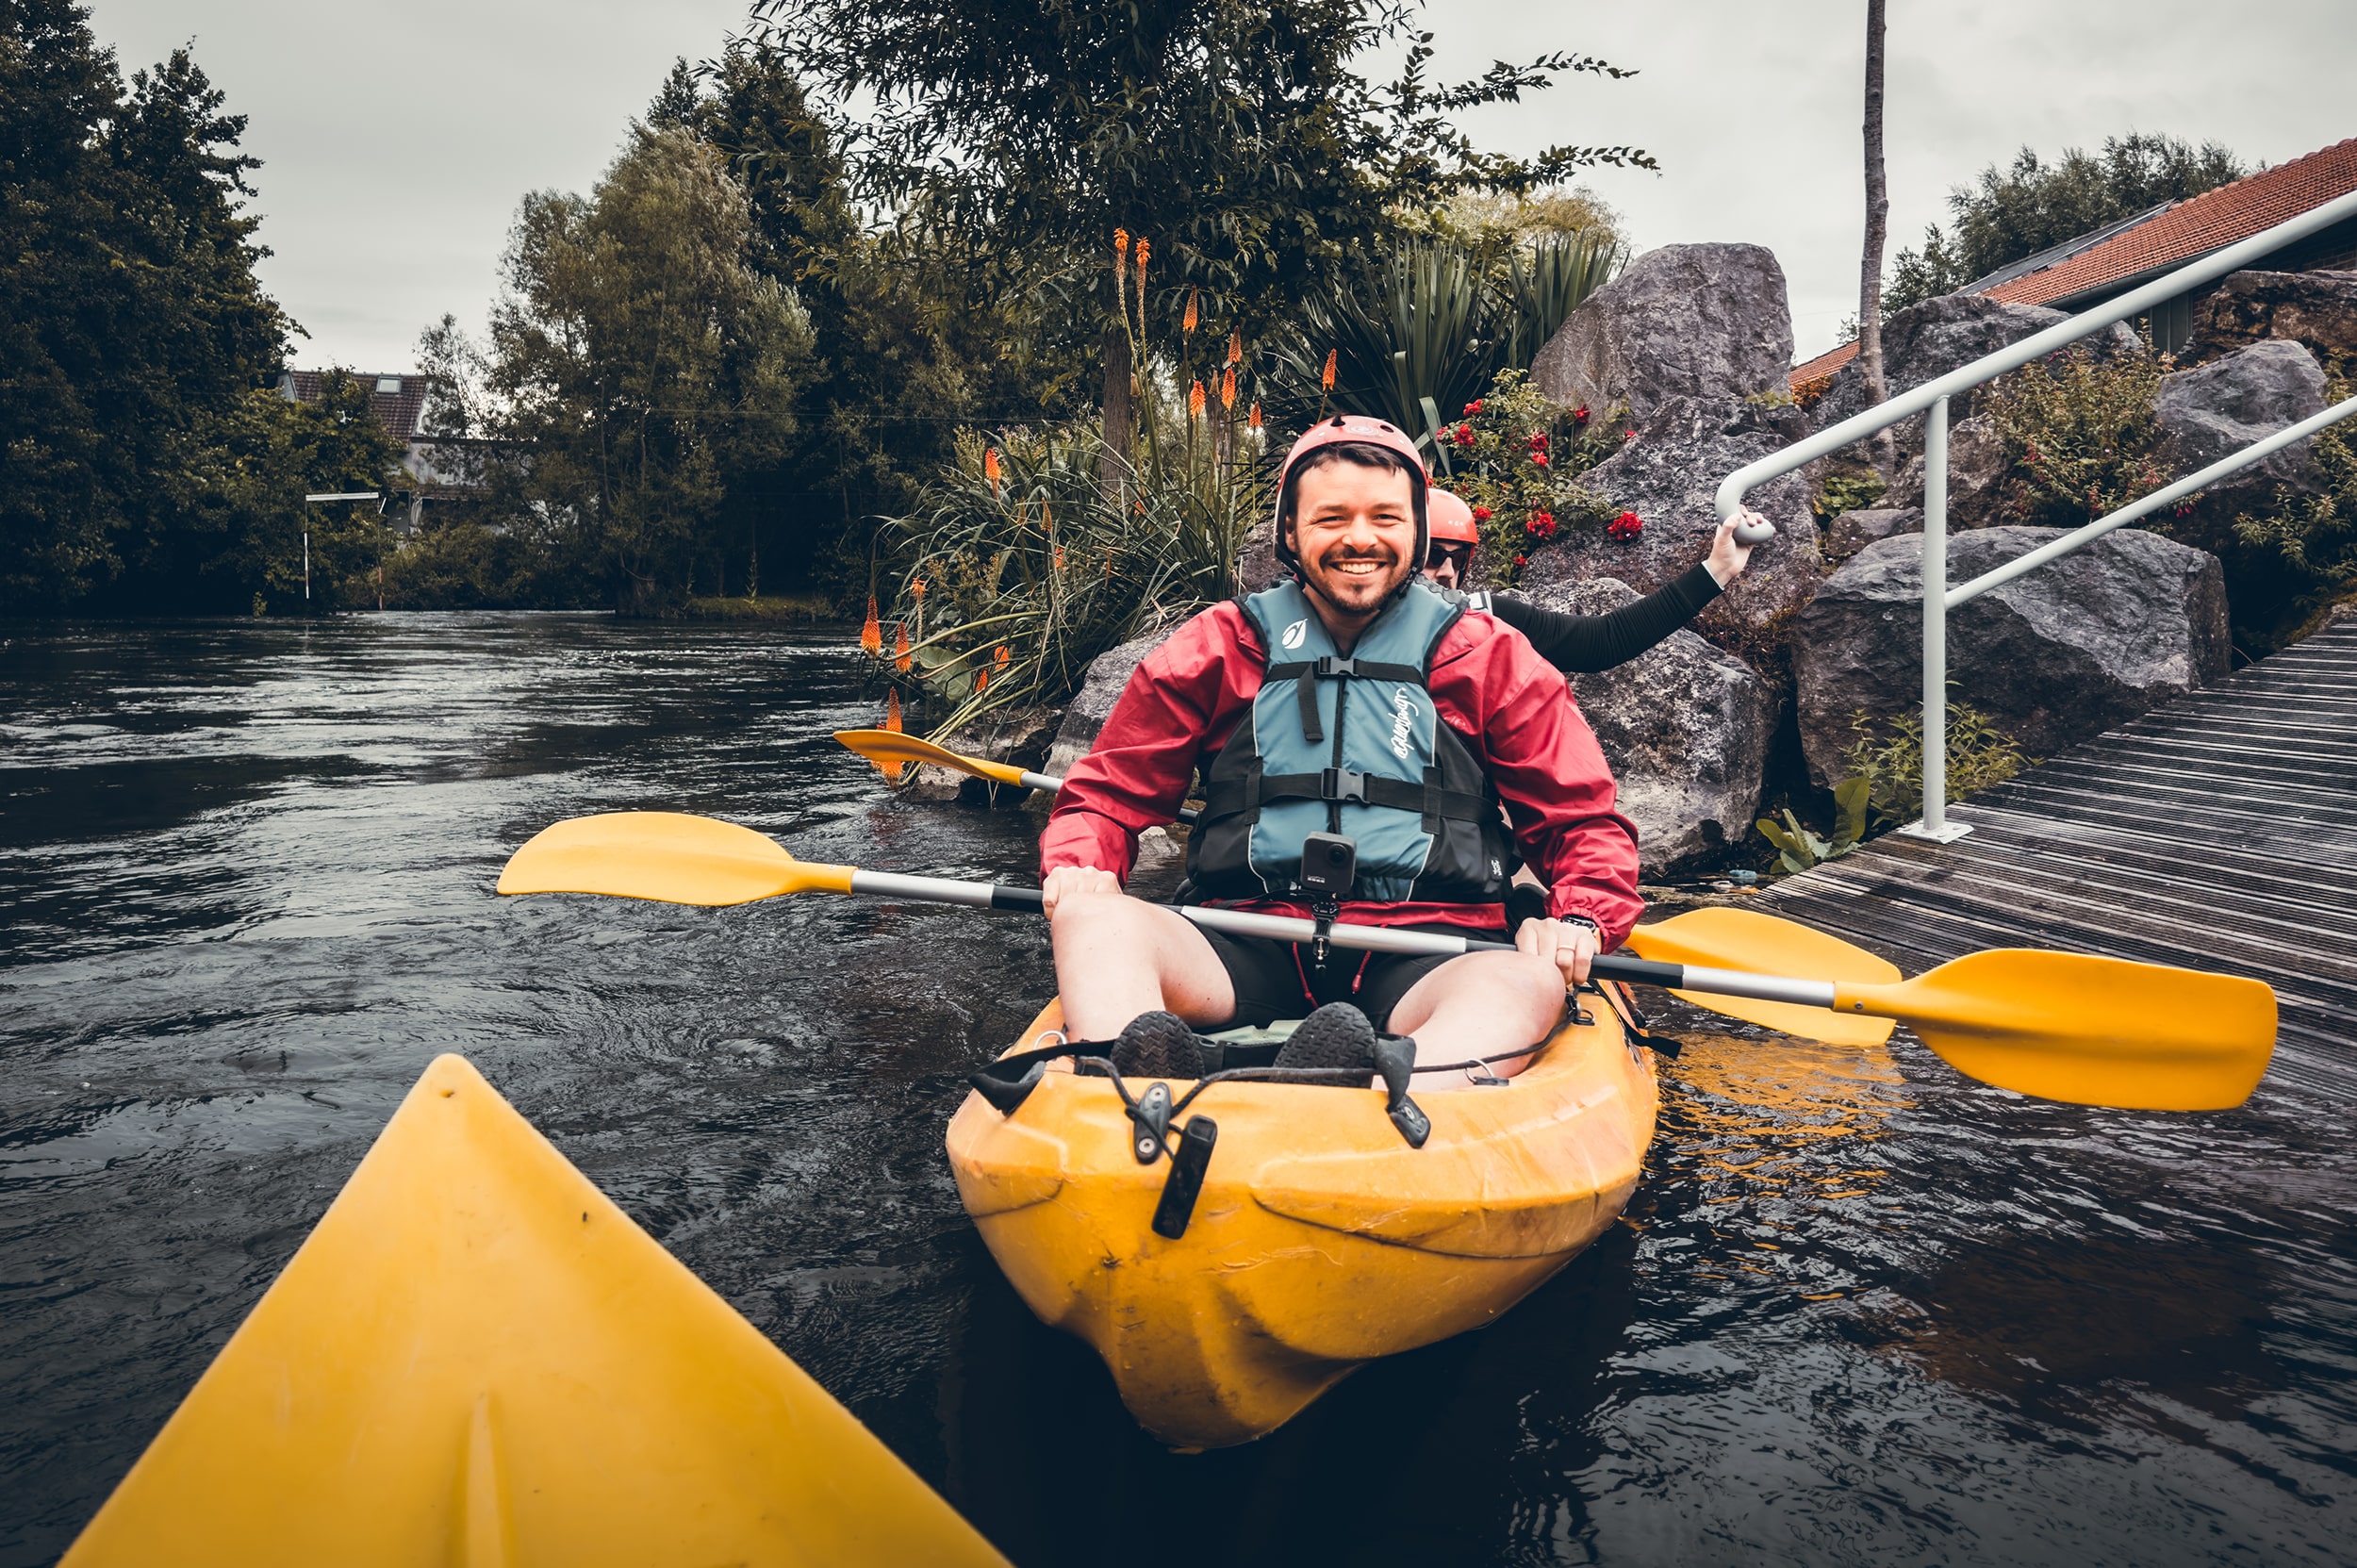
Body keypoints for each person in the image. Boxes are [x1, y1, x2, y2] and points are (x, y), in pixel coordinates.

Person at [1037, 415, 1641, 1088]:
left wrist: (1581, 914)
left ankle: (1380, 1102)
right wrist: (1082, 863)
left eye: (1386, 516)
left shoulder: (1488, 656)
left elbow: (1581, 823)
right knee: (1092, 916)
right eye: (1332, 518)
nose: (1361, 538)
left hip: (1431, 952)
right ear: (1290, 534)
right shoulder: (1222, 645)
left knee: (1529, 979)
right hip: (1241, 942)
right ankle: (1134, 1090)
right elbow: (1105, 796)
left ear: (1416, 530)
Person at [1422, 487, 1771, 672]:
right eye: (1433, 555)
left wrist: (1717, 570)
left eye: (1459, 557)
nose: (1448, 572)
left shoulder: (1485, 618)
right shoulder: (1367, 622)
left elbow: (1603, 641)